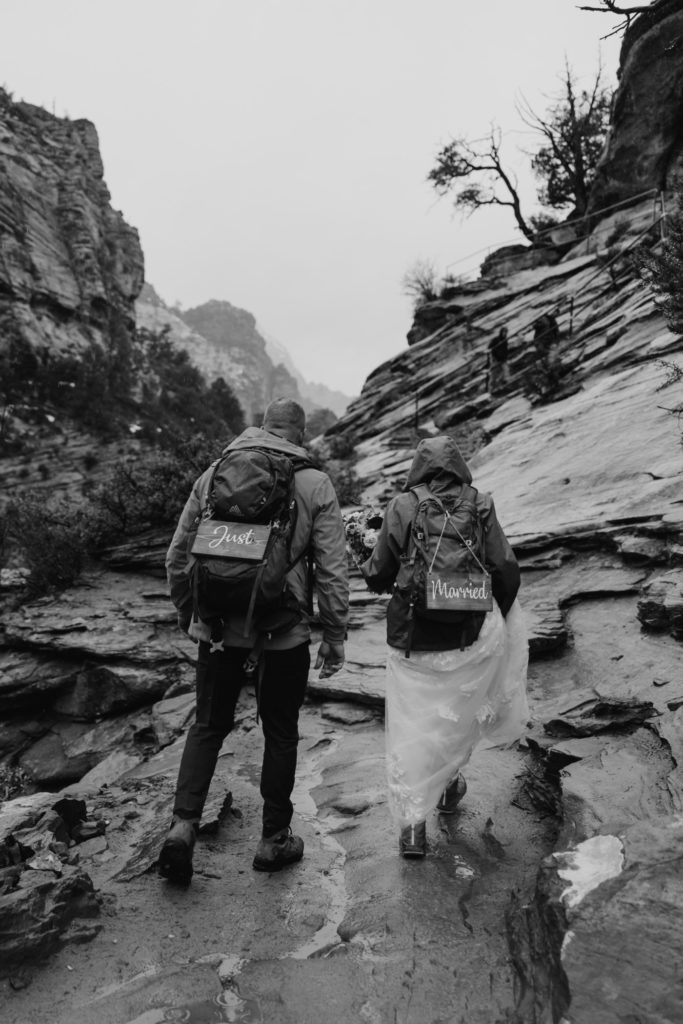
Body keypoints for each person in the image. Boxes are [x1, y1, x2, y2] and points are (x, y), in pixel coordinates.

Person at [160, 398, 349, 881]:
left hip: (219, 628)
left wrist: (190, 613)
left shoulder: (214, 473)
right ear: (300, 436)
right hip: (282, 629)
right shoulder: (315, 483)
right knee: (280, 732)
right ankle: (273, 839)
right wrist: (334, 634)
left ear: (261, 428)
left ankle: (183, 828)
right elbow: (330, 568)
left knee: (207, 725)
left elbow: (179, 555)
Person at [360, 436, 528, 859]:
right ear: (458, 466)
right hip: (469, 634)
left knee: (412, 725)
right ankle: (450, 787)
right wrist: (500, 614)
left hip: (415, 638)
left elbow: (379, 573)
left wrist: (369, 558)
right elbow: (505, 566)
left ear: (419, 467)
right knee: (455, 716)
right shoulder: (481, 503)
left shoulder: (403, 506)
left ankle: (413, 830)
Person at [487, 326, 510, 394]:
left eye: (506, 332)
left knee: (504, 372)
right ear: (501, 332)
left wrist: (505, 356)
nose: (504, 333)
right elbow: (490, 348)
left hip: (502, 359)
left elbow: (505, 349)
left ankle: (501, 386)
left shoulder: (505, 340)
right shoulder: (496, 340)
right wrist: (494, 355)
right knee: (494, 374)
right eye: (503, 332)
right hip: (496, 359)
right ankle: (491, 389)